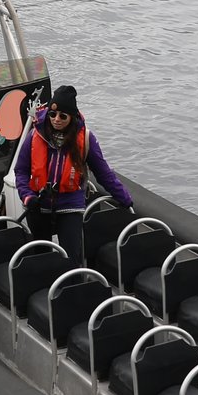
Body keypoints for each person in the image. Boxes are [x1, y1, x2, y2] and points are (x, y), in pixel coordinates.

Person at [13, 84, 133, 265]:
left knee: (71, 257)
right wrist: (27, 196)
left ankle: (72, 286)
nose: (56, 119)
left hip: (70, 204)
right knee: (42, 257)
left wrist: (125, 199)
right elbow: (21, 171)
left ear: (72, 116)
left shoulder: (85, 139)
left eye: (63, 115)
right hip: (39, 204)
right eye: (52, 115)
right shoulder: (34, 135)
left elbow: (103, 173)